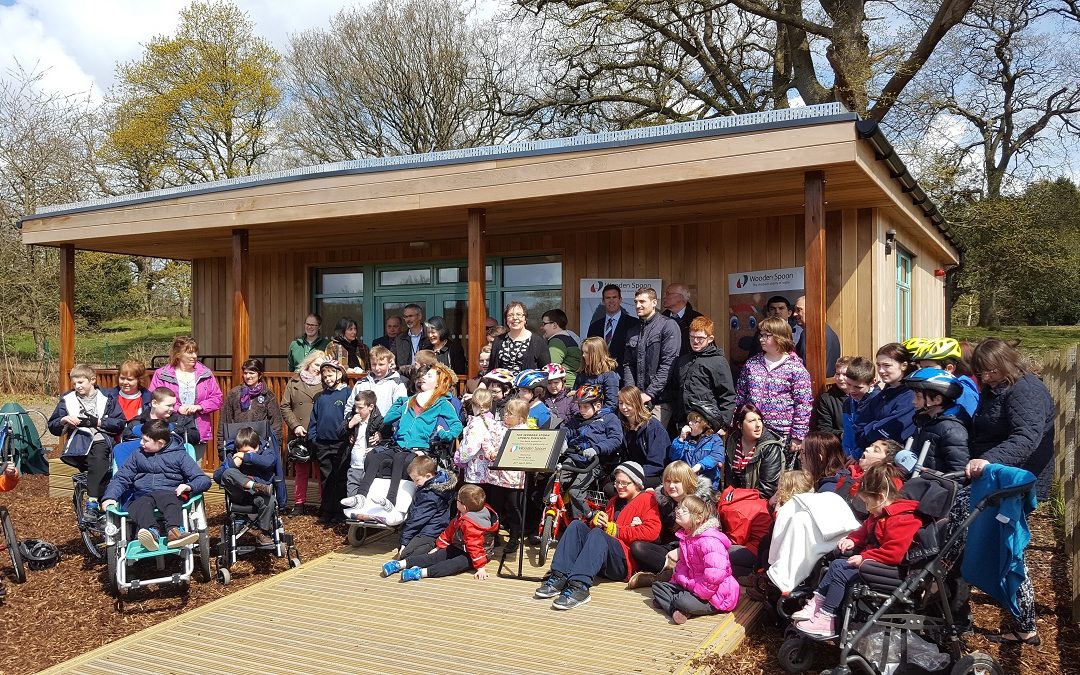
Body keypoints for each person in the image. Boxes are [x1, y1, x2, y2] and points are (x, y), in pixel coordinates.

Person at [961, 339, 1054, 646]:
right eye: (981, 373)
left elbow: (1026, 439)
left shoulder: (1026, 390)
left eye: (989, 371)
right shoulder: (998, 386)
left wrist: (987, 460)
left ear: (1006, 363)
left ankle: (1025, 625)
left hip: (1015, 478)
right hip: (995, 476)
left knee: (1011, 548)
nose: (984, 378)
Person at [793, 463, 922, 637]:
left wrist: (864, 557)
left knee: (840, 569)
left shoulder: (903, 520)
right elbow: (863, 531)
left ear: (881, 497)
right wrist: (853, 540)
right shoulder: (880, 513)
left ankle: (827, 617)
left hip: (891, 569)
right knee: (836, 564)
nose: (867, 508)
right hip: (875, 561)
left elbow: (894, 552)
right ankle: (818, 603)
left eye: (868, 503)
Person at [534, 461, 661, 610]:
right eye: (617, 482)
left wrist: (616, 530)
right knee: (576, 525)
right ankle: (559, 576)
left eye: (625, 483)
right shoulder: (614, 501)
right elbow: (603, 528)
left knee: (598, 535)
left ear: (637, 484)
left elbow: (652, 531)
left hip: (624, 561)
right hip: (604, 554)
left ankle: (579, 586)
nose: (619, 486)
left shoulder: (647, 499)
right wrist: (596, 522)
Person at [349, 364, 463, 512]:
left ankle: (391, 500)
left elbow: (456, 426)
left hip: (419, 448)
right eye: (424, 375)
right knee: (374, 457)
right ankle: (361, 496)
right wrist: (399, 403)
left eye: (429, 376)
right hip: (400, 445)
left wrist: (445, 435)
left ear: (438, 383)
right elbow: (388, 419)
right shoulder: (410, 401)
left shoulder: (442, 403)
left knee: (400, 458)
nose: (423, 377)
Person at [100, 419, 211, 552]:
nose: (141, 443)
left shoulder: (179, 455)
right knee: (138, 505)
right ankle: (151, 533)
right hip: (143, 493)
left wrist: (189, 486)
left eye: (146, 440)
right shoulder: (138, 455)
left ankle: (175, 532)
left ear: (160, 443)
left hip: (169, 492)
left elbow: (202, 479)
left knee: (171, 501)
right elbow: (122, 477)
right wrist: (110, 496)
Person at [381, 483, 499, 582]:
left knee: (453, 564)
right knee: (434, 556)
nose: (455, 501)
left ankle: (420, 573)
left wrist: (481, 567)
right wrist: (439, 546)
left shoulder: (471, 523)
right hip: (460, 546)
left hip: (476, 554)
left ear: (464, 506)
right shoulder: (463, 514)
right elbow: (450, 530)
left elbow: (475, 546)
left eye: (457, 500)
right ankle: (400, 564)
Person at [650, 494, 740, 624]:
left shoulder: (709, 541)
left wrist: (698, 593)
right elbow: (682, 566)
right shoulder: (687, 538)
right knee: (658, 587)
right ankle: (677, 610)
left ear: (698, 518)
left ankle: (677, 605)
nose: (678, 511)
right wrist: (675, 584)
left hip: (715, 594)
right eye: (678, 508)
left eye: (684, 510)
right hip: (692, 586)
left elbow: (715, 576)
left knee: (681, 600)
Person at [49, 363, 127, 512]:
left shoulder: (107, 398)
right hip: (79, 443)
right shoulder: (68, 399)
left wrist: (99, 422)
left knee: (99, 457)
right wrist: (63, 420)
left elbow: (119, 423)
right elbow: (53, 426)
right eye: (74, 383)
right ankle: (95, 501)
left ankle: (94, 500)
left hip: (101, 439)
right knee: (98, 464)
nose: (77, 386)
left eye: (80, 382)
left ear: (92, 380)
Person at [734, 316, 813, 458]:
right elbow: (740, 396)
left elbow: (803, 404)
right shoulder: (751, 364)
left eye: (766, 335)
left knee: (778, 476)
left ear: (780, 337)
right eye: (761, 335)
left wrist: (797, 435)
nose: (761, 339)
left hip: (782, 434)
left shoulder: (796, 368)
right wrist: (739, 422)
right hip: (752, 431)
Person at [628, 460, 713, 587]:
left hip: (695, 552)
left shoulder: (702, 502)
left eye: (676, 482)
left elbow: (710, 539)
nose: (671, 486)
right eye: (668, 481)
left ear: (687, 481)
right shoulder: (663, 501)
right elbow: (657, 533)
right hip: (668, 548)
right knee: (637, 547)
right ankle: (669, 571)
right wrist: (644, 524)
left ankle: (661, 577)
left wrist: (681, 551)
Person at [149, 336, 223, 462]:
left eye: (195, 351)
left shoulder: (206, 373)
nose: (194, 356)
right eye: (189, 352)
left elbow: (217, 398)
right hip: (168, 427)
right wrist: (177, 408)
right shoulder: (162, 374)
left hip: (197, 428)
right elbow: (153, 397)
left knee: (193, 467)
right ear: (178, 354)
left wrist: (200, 406)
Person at [622, 287, 681, 428]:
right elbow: (628, 364)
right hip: (636, 400)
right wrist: (631, 393)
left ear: (654, 302)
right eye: (636, 302)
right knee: (634, 441)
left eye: (642, 301)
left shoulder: (668, 325)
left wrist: (650, 393)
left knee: (652, 439)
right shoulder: (633, 331)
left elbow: (669, 363)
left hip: (660, 401)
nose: (638, 305)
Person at [213, 426, 277, 546]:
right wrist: (232, 464)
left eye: (247, 452)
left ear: (257, 447)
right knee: (228, 472)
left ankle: (264, 532)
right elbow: (217, 477)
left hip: (260, 495)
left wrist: (248, 457)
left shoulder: (266, 452)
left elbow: (269, 463)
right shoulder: (232, 456)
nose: (242, 455)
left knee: (271, 500)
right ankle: (255, 485)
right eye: (240, 451)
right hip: (240, 495)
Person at [280, 350, 326, 514]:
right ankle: (299, 503)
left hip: (319, 432)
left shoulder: (327, 383)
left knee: (321, 470)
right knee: (301, 470)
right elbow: (285, 406)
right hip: (300, 431)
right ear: (309, 363)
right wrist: (295, 426)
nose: (318, 369)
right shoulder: (295, 381)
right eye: (316, 364)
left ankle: (324, 503)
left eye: (321, 366)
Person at [307, 359, 352, 524]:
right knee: (326, 479)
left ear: (339, 374)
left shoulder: (347, 393)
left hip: (341, 444)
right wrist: (313, 439)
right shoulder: (321, 397)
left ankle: (340, 511)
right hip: (323, 444)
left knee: (340, 478)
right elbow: (313, 420)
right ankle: (327, 510)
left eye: (330, 375)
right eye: (324, 376)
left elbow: (351, 416)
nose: (327, 378)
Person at [387, 456, 457, 560]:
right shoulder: (430, 486)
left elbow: (417, 519)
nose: (415, 484)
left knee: (406, 555)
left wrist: (404, 541)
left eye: (417, 480)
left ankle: (437, 546)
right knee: (405, 550)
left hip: (432, 531)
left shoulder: (430, 495)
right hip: (426, 526)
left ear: (428, 475)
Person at [672, 316, 735, 429]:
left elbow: (727, 396)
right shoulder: (683, 360)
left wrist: (723, 425)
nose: (695, 341)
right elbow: (676, 390)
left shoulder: (718, 361)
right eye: (692, 337)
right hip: (684, 422)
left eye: (700, 338)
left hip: (708, 424)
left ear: (710, 339)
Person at [903, 368, 969, 473]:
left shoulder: (951, 430)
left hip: (934, 486)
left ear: (937, 400)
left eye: (918, 397)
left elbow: (959, 474)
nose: (913, 401)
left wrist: (932, 474)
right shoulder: (926, 421)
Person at [853, 343, 916, 451]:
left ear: (904, 366)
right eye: (878, 365)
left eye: (887, 365)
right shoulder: (883, 394)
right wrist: (874, 426)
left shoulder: (910, 396)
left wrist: (872, 428)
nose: (881, 370)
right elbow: (859, 425)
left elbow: (892, 429)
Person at [904, 337, 980, 425]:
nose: (922, 372)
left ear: (949, 368)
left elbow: (967, 428)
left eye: (928, 368)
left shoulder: (964, 393)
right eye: (921, 367)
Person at [485, 399, 529, 550]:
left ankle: (514, 538)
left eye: (511, 413)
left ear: (520, 418)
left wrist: (503, 454)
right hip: (496, 476)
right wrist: (490, 452)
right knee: (494, 506)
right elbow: (487, 439)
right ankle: (494, 535)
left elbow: (519, 450)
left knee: (514, 507)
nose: (506, 415)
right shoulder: (498, 426)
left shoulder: (524, 431)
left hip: (513, 478)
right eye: (506, 412)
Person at [723, 404, 785, 500]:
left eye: (760, 420)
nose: (758, 425)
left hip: (759, 501)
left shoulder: (770, 447)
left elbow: (768, 490)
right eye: (752, 421)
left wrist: (739, 499)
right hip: (735, 499)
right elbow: (728, 480)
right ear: (740, 425)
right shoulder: (732, 441)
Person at [219, 358, 283, 450]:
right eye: (245, 373)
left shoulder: (268, 395)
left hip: (261, 445)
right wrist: (222, 447)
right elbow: (224, 421)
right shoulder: (234, 394)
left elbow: (276, 423)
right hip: (238, 444)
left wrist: (275, 446)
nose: (248, 376)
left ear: (260, 375)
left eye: (252, 373)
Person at [616, 386, 669, 489]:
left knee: (614, 488)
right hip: (632, 472)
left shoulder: (653, 427)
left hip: (654, 475)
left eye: (628, 403)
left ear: (637, 403)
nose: (623, 407)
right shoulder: (622, 425)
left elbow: (657, 464)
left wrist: (630, 473)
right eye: (621, 403)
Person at [340, 390, 385, 506]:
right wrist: (350, 424)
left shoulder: (379, 421)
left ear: (370, 406)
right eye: (355, 406)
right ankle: (355, 522)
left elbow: (388, 441)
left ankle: (366, 523)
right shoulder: (352, 417)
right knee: (352, 497)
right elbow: (338, 433)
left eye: (360, 407)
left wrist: (378, 443)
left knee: (368, 498)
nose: (356, 410)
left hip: (369, 468)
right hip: (354, 466)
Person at [668, 402, 725, 491]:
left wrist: (700, 465)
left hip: (708, 488)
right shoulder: (686, 439)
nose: (690, 423)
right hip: (687, 484)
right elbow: (674, 457)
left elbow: (716, 456)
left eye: (695, 421)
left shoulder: (715, 440)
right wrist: (681, 439)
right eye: (689, 420)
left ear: (706, 424)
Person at [454, 389, 505, 487]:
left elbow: (471, 447)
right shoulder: (494, 422)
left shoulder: (476, 423)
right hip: (491, 472)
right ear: (490, 404)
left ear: (473, 404)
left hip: (476, 472)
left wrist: (460, 459)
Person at [123, 386, 199, 447]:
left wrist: (177, 429)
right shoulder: (137, 422)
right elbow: (126, 439)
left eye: (173, 405)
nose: (172, 409)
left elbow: (195, 438)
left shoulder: (180, 420)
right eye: (168, 405)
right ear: (154, 403)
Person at [489, 301, 551, 374]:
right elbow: (491, 369)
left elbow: (546, 371)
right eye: (510, 315)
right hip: (502, 384)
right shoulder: (498, 341)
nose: (515, 318)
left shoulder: (538, 342)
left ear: (525, 319)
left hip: (527, 384)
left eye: (519, 314)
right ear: (506, 320)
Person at [347, 345, 409, 417]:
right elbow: (350, 406)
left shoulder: (396, 384)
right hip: (363, 426)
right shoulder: (362, 383)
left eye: (381, 364)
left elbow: (401, 408)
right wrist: (350, 421)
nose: (377, 368)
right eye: (373, 364)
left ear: (389, 364)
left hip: (385, 426)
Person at [792, 295, 841, 378]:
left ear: (812, 310)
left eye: (799, 310)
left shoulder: (811, 333)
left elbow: (805, 364)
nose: (794, 314)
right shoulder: (825, 329)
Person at [587, 284, 634, 369]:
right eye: (608, 298)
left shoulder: (633, 324)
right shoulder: (594, 326)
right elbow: (590, 351)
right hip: (599, 375)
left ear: (620, 300)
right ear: (603, 301)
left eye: (614, 297)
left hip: (623, 376)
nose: (611, 301)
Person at [841, 356, 878, 459]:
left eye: (858, 387)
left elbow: (875, 437)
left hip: (866, 458)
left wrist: (857, 454)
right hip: (848, 457)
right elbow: (848, 433)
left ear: (872, 382)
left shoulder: (878, 403)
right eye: (849, 384)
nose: (852, 390)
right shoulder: (848, 402)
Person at [811, 356, 852, 438]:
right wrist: (842, 435)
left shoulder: (864, 395)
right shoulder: (827, 399)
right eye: (837, 374)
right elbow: (823, 428)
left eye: (845, 374)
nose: (840, 378)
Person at [577, 336, 621, 412]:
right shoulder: (582, 374)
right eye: (583, 352)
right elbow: (576, 398)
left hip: (602, 418)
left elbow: (612, 403)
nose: (583, 355)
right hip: (582, 414)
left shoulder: (609, 376)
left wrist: (595, 415)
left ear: (596, 354)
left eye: (587, 353)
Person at [540, 309, 582, 388]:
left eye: (544, 324)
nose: (541, 327)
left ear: (554, 325)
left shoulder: (557, 341)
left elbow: (551, 368)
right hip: (574, 385)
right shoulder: (571, 336)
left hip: (565, 389)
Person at [661, 283, 704, 356]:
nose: (664, 296)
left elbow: (706, 348)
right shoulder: (660, 320)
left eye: (668, 293)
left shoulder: (697, 319)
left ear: (680, 297)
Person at [105, 359, 152, 424]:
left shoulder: (149, 399)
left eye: (130, 379)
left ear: (139, 380)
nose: (125, 382)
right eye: (122, 378)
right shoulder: (108, 396)